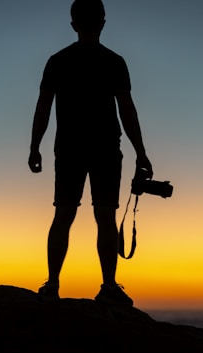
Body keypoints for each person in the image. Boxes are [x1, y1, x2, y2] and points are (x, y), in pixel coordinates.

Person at [28, 0, 153, 306]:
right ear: (103, 23)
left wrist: (34, 146)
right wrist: (141, 152)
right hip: (106, 147)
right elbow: (127, 110)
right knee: (105, 217)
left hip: (69, 148)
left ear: (74, 24)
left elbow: (43, 108)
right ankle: (109, 285)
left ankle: (53, 284)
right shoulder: (114, 61)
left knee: (64, 214)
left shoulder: (58, 61)